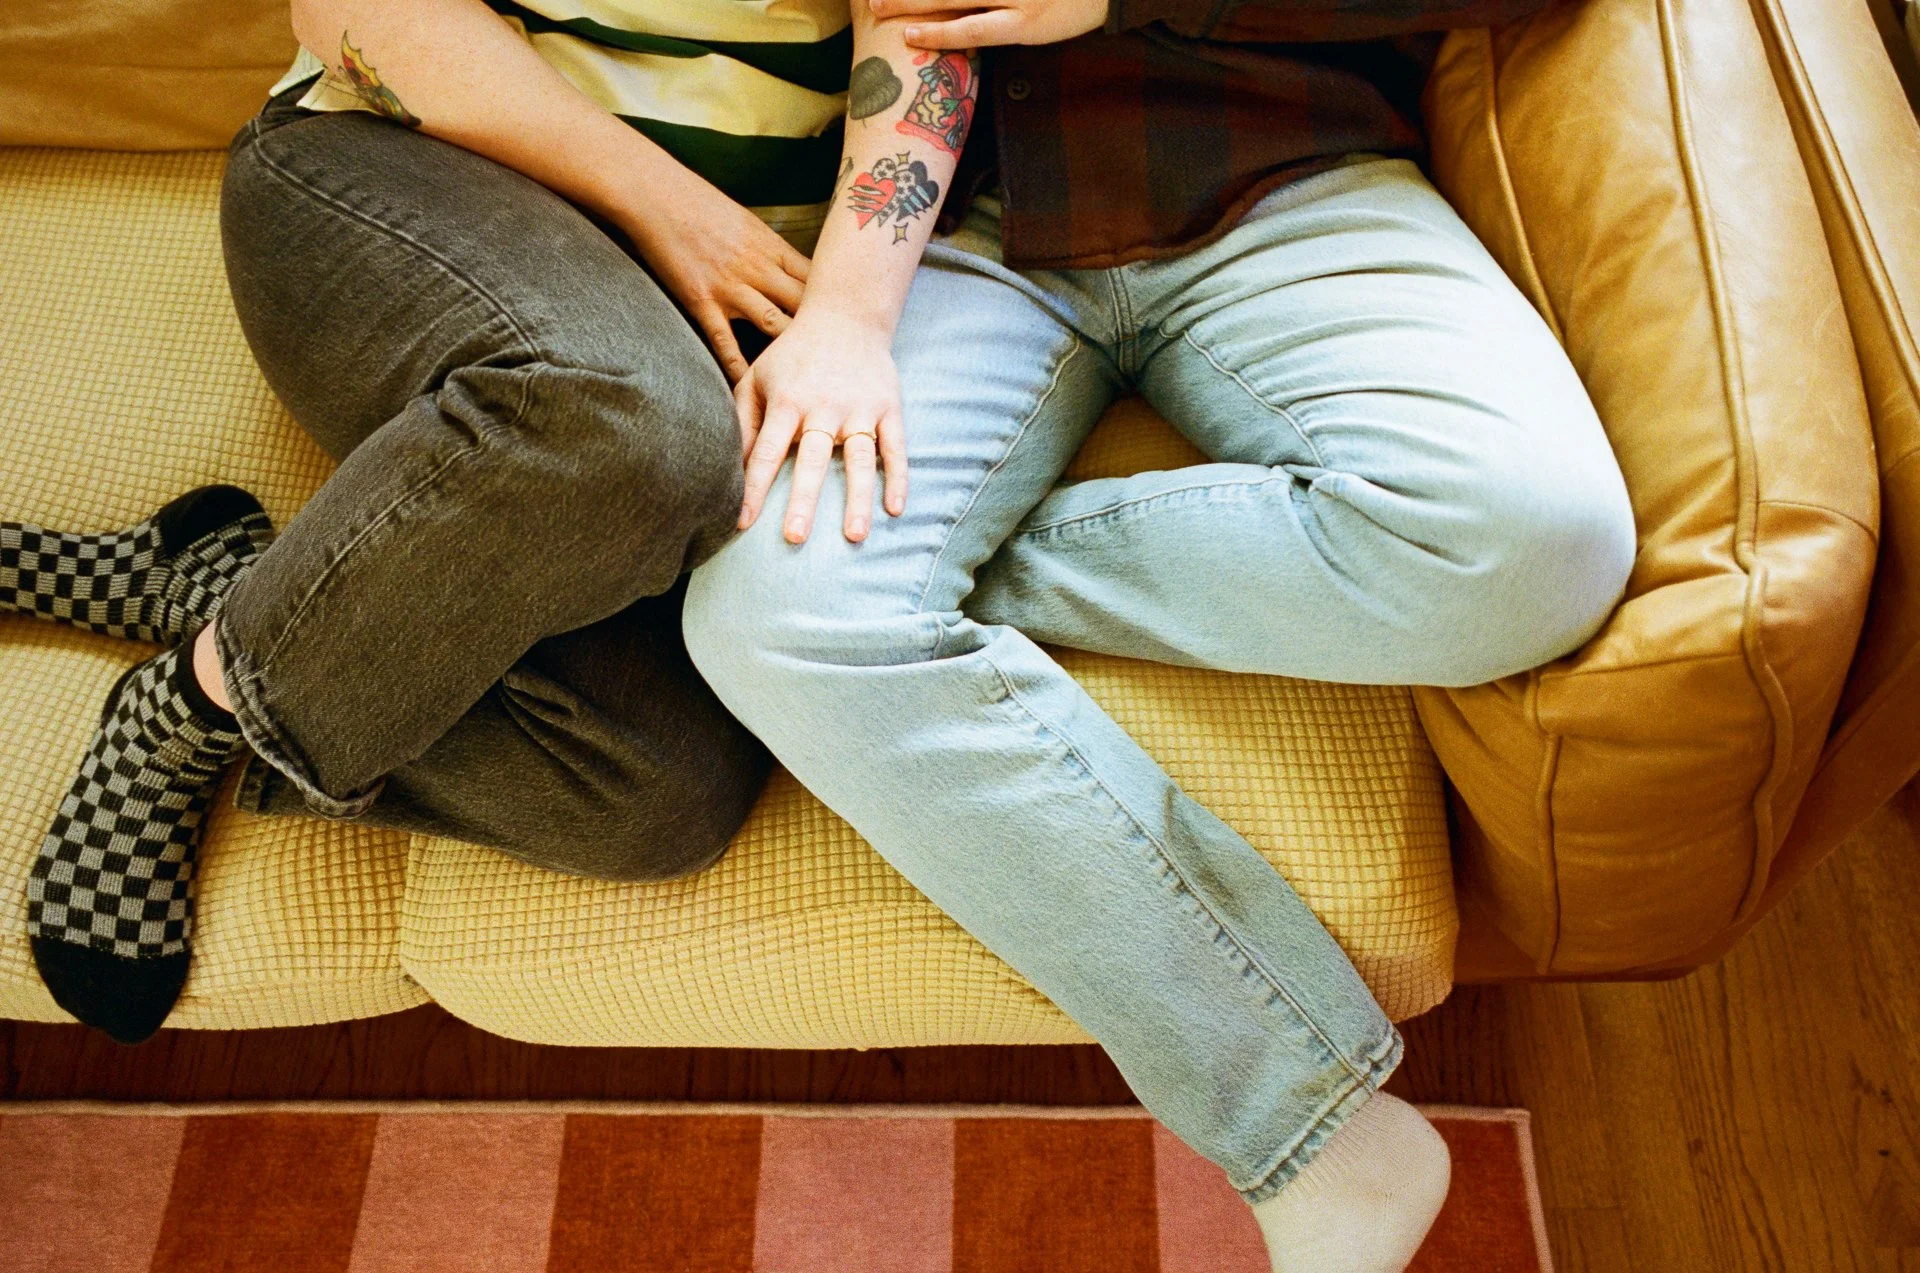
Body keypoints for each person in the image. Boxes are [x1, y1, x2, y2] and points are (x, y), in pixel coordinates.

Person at [676, 0, 1636, 1267]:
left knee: (1535, 542)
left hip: (1281, 170)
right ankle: (1319, 1135)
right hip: (957, 232)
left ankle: (955, 580)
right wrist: (845, 316)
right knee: (770, 614)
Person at [2, 0, 903, 1045]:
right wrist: (673, 206)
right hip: (404, 174)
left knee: (659, 792)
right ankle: (183, 715)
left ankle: (226, 595)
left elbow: (929, 34)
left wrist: (846, 314)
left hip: (700, 316)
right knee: (637, 425)